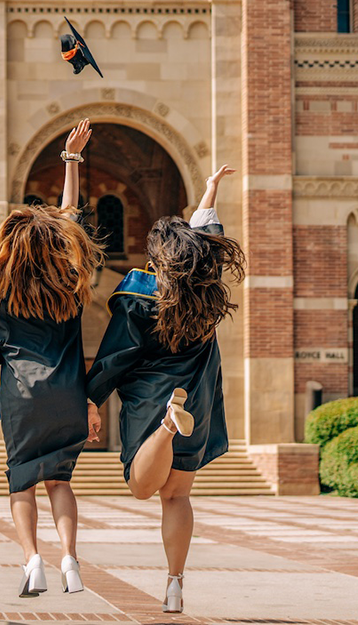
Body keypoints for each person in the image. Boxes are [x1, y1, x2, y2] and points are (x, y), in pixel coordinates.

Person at [85, 164, 245, 614]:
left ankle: (165, 430)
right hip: (197, 390)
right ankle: (174, 584)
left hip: (152, 396)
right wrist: (210, 191)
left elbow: (116, 355)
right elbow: (208, 235)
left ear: (156, 256)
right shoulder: (206, 285)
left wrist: (90, 398)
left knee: (141, 487)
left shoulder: (140, 293)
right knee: (177, 496)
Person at [0, 120, 104, 598]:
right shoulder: (71, 285)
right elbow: (69, 226)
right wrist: (71, 161)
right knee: (59, 482)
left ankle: (32, 563)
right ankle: (69, 559)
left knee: (21, 485)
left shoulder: (0, 293)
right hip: (68, 394)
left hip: (21, 399)